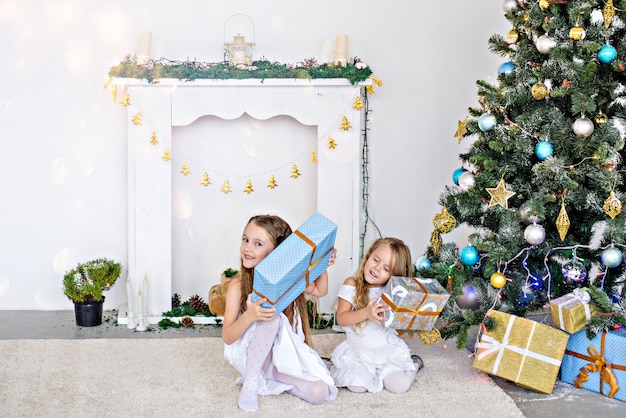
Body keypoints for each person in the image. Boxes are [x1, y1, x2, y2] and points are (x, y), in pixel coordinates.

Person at [222, 214, 338, 412]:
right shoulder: (238, 285)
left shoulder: (289, 281)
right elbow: (228, 336)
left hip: (281, 358)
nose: (247, 248)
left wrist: (321, 262)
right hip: (250, 354)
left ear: (279, 252)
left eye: (258, 244)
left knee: (320, 393)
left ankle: (270, 376)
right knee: (271, 318)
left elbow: (320, 290)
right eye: (245, 239)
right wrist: (249, 316)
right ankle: (251, 382)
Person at [329, 237, 422, 394]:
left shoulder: (391, 292)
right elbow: (342, 318)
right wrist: (366, 313)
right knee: (357, 387)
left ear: (394, 275)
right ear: (369, 255)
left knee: (398, 387)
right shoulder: (351, 284)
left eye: (386, 269)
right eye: (376, 260)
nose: (377, 268)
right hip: (357, 353)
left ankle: (414, 364)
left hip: (386, 351)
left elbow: (400, 325)